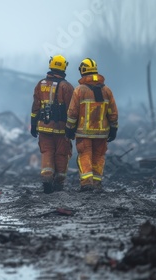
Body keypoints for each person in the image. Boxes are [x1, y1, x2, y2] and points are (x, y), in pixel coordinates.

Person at [65, 58, 119, 192]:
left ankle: (86, 183)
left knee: (85, 156)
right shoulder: (107, 90)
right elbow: (113, 112)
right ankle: (97, 183)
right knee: (99, 157)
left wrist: (69, 129)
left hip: (84, 133)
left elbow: (72, 112)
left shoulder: (79, 90)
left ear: (82, 71)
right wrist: (114, 128)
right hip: (102, 133)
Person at [30, 55, 74, 194]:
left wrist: (33, 124)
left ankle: (47, 178)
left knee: (47, 152)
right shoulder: (67, 87)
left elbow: (35, 106)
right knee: (61, 154)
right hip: (62, 129)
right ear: (64, 67)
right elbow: (72, 110)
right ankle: (59, 184)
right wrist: (72, 129)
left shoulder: (40, 84)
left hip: (43, 127)